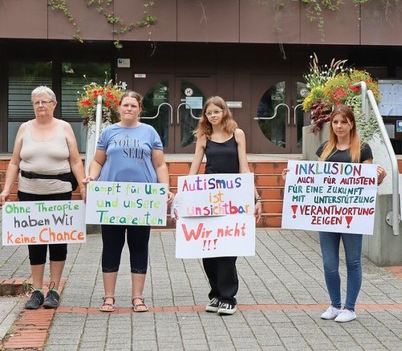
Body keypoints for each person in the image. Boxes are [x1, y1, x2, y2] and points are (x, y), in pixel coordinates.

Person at [293, 105, 386, 323]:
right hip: (328, 214)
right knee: (329, 263)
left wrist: (379, 177)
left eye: (343, 122)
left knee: (353, 261)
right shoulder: (325, 149)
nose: (339, 126)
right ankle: (335, 304)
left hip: (352, 215)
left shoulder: (363, 149)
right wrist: (295, 176)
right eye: (335, 122)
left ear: (351, 124)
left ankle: (350, 307)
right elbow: (315, 179)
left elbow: (369, 183)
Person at [84, 91, 174, 313]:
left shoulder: (150, 132)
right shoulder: (109, 132)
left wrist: (165, 188)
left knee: (139, 247)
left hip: (142, 202)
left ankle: (138, 298)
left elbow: (160, 164)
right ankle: (108, 298)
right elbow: (97, 161)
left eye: (133, 105)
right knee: (111, 247)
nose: (129, 109)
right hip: (112, 200)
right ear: (119, 108)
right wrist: (92, 178)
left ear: (139, 109)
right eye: (125, 105)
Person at [0, 86, 85, 310]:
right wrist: (6, 189)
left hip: (59, 190)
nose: (40, 106)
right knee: (34, 241)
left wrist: (84, 187)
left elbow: (76, 161)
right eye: (36, 102)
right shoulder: (24, 128)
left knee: (58, 241)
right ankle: (37, 290)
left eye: (45, 102)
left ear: (54, 104)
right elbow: (15, 162)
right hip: (29, 191)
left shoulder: (64, 127)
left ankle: (54, 289)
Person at [187, 96, 262, 316]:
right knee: (208, 248)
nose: (212, 116)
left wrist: (256, 197)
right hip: (208, 198)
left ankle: (229, 297)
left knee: (228, 249)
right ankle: (216, 295)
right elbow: (194, 168)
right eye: (208, 113)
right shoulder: (204, 136)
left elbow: (244, 167)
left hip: (234, 197)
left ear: (224, 112)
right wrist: (184, 195)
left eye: (216, 112)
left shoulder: (237, 134)